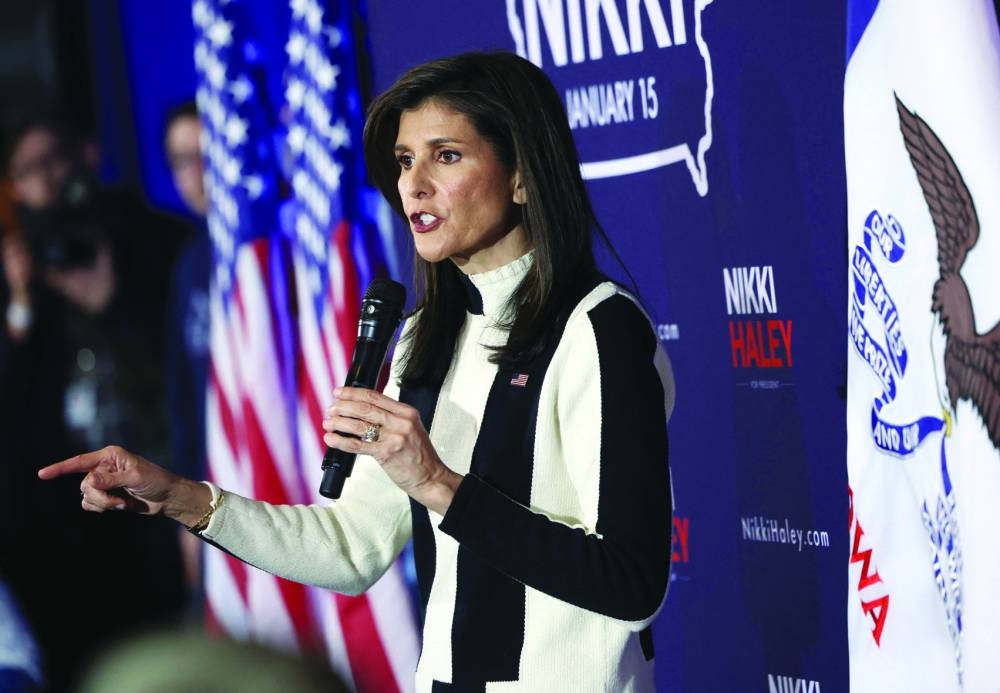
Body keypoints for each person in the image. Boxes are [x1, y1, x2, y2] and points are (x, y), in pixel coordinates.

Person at [39, 51, 675, 692]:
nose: (413, 185)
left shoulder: (599, 329)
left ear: (521, 176)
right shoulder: (426, 336)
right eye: (404, 160)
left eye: (445, 156)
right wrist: (183, 498)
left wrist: (434, 481)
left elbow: (628, 580)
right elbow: (350, 548)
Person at [2, 112, 188, 691]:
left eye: (55, 160)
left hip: (156, 488)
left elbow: (185, 356)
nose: (49, 181)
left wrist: (108, 299)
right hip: (61, 518)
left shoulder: (148, 236)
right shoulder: (16, 258)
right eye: (29, 171)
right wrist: (23, 303)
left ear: (87, 154)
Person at [161, 100, 213, 611]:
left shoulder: (283, 247)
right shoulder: (191, 261)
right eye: (181, 160)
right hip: (211, 496)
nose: (197, 173)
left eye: (206, 153)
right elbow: (181, 397)